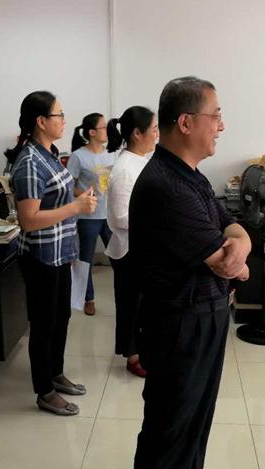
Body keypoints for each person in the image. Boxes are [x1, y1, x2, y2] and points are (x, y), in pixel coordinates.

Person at [129, 77, 252, 469]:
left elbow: (231, 226)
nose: (221, 125)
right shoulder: (166, 186)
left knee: (199, 411)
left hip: (207, 314)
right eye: (215, 115)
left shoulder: (190, 176)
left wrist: (241, 244)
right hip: (179, 322)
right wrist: (237, 258)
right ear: (185, 122)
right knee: (169, 425)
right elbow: (224, 262)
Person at [6, 91, 97, 416]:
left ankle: (55, 373)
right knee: (44, 323)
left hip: (60, 251)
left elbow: (56, 196)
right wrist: (75, 207)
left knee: (61, 317)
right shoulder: (30, 162)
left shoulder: (51, 154)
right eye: (59, 115)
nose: (64, 121)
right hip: (41, 255)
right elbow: (29, 220)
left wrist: (78, 198)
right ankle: (44, 390)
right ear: (41, 121)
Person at [105, 106, 158, 377]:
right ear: (137, 133)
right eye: (154, 130)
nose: (157, 135)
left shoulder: (140, 160)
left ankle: (141, 349)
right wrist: (158, 219)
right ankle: (133, 356)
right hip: (128, 250)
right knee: (131, 305)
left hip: (141, 247)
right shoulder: (125, 168)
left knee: (142, 305)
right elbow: (120, 216)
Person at [67, 113, 117, 316]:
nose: (107, 131)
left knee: (119, 257)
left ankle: (125, 296)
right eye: (103, 127)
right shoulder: (78, 156)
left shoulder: (112, 154)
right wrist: (86, 194)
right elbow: (69, 186)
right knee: (85, 259)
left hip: (109, 215)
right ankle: (89, 298)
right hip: (88, 217)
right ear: (92, 132)